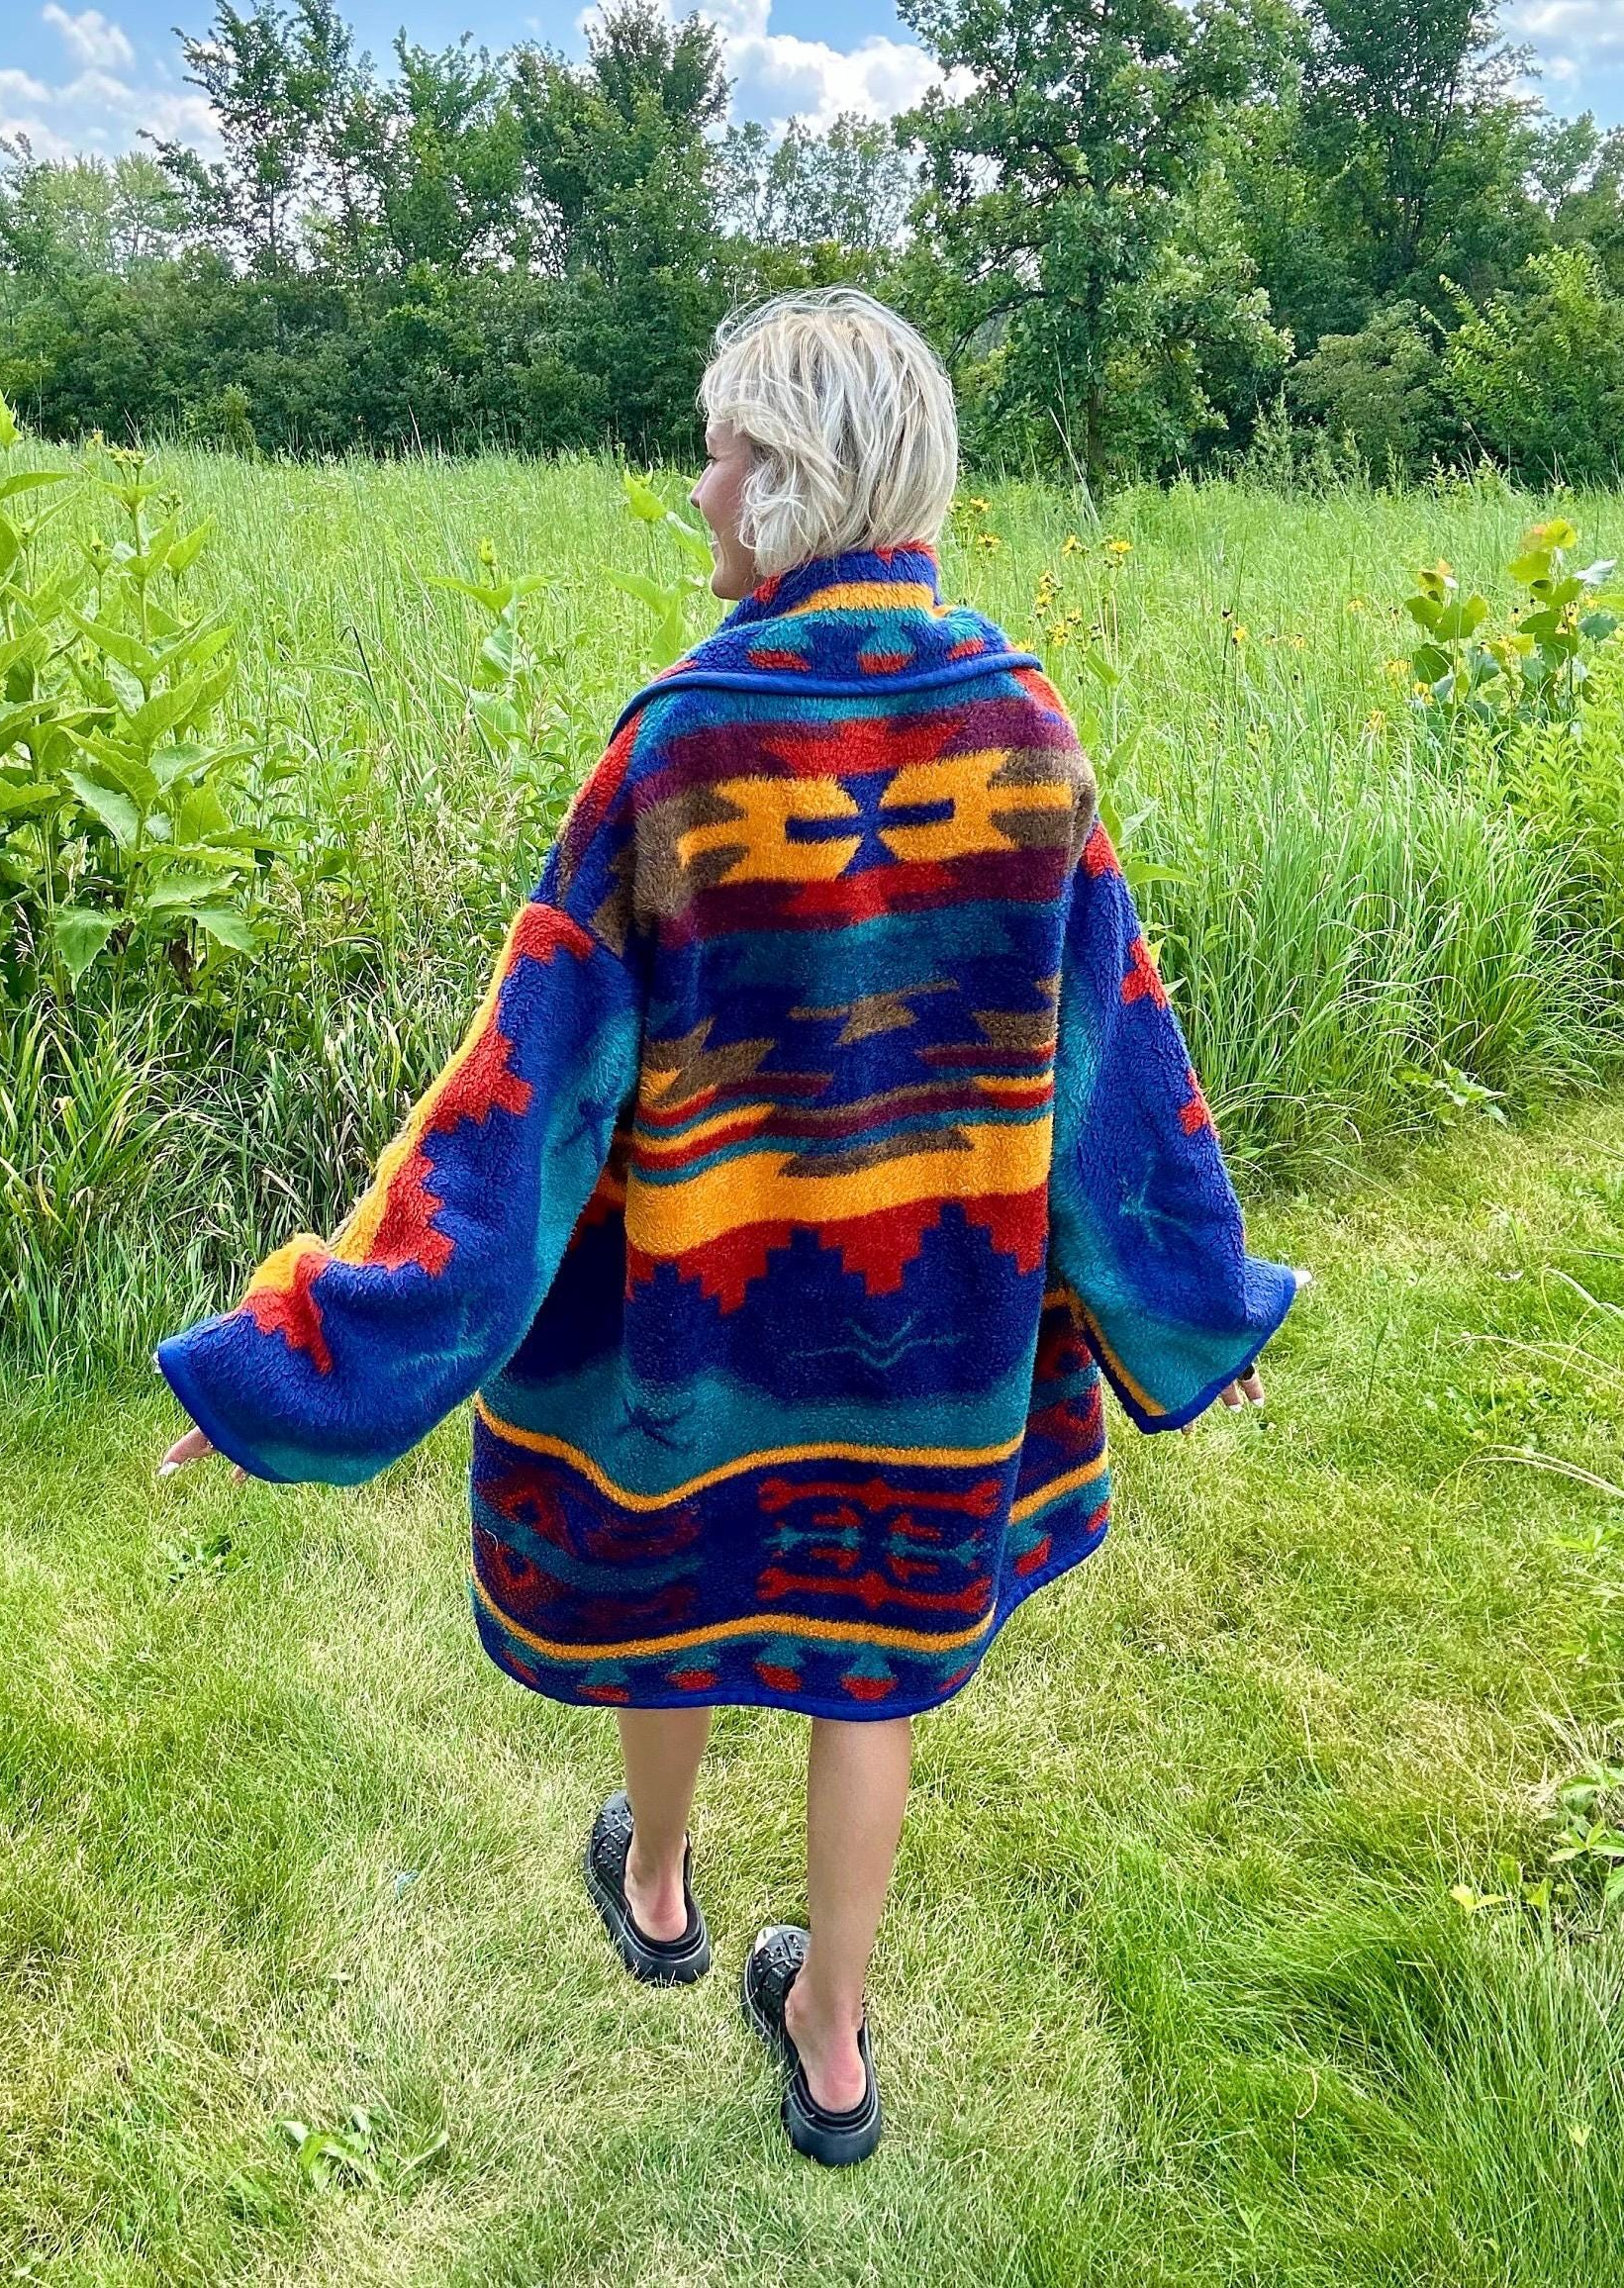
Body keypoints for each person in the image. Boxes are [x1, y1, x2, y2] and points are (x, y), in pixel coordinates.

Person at [155, 285, 1306, 2168]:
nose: (699, 489)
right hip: (933, 1358)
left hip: (701, 1334)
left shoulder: (682, 749)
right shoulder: (1024, 733)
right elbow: (1119, 1068)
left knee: (679, 1608)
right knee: (877, 1674)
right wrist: (1192, 1304)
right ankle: (833, 2046)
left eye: (718, 453)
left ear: (785, 476)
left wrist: (309, 1351)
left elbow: (521, 1104)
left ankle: (662, 1887)